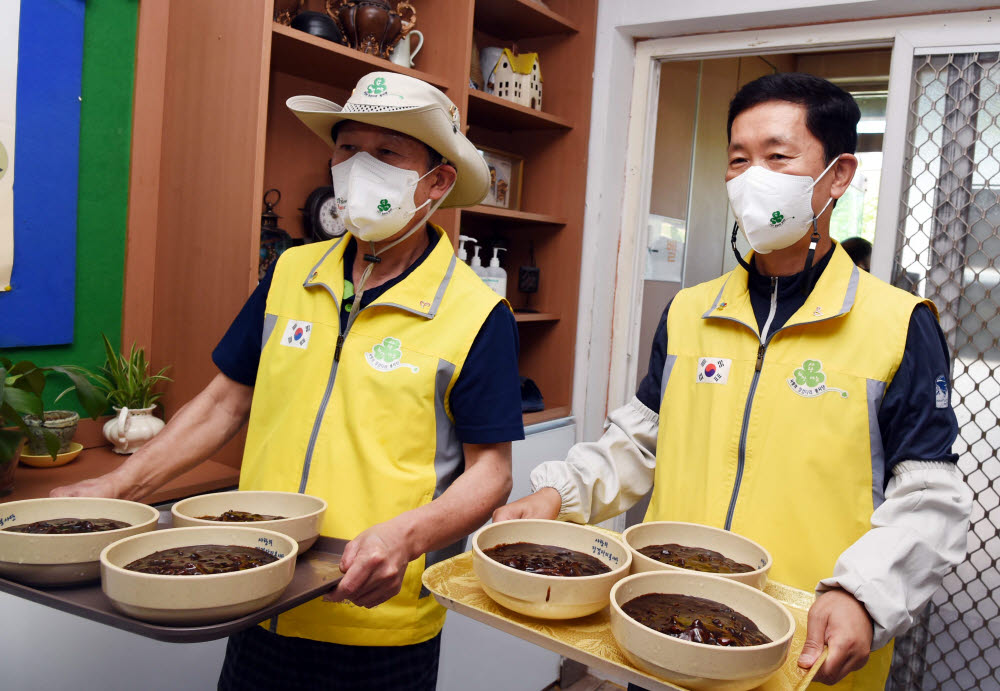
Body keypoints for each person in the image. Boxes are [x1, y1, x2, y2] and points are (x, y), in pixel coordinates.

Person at [495, 73, 972, 690]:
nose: (753, 178)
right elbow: (642, 442)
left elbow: (929, 500)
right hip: (665, 628)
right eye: (739, 160)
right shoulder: (691, 310)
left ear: (839, 174)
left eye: (778, 156)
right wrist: (560, 494)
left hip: (801, 647)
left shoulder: (898, 325)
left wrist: (863, 595)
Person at [54, 72, 524, 690]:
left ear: (435, 182)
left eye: (387, 153)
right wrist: (119, 488)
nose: (360, 167)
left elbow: (491, 470)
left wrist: (405, 538)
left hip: (373, 618)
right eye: (348, 148)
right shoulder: (290, 273)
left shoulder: (477, 313)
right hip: (257, 588)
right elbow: (225, 400)